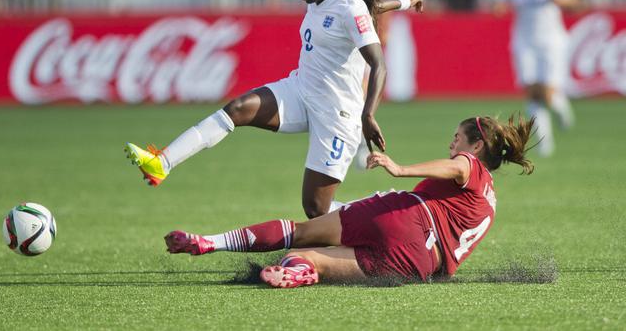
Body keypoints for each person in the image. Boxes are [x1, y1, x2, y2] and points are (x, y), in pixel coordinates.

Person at [125, 0, 423, 218]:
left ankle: (386, 216)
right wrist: (407, 1)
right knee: (238, 108)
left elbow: (379, 64)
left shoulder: (349, 8)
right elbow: (376, 5)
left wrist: (368, 115)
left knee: (316, 210)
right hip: (300, 90)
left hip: (338, 112)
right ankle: (161, 163)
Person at [163, 114, 535, 288]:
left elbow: (456, 167)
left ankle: (211, 241)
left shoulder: (469, 165)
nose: (452, 145)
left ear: (477, 145)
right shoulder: (490, 199)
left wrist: (400, 168)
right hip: (416, 264)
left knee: (301, 233)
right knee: (314, 262)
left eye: (457, 137)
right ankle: (297, 272)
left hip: (404, 218)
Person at [494, 0, 579, 157]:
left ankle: (561, 108)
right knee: (532, 91)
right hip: (524, 40)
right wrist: (499, 7)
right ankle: (545, 143)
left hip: (551, 40)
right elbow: (500, 2)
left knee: (548, 92)